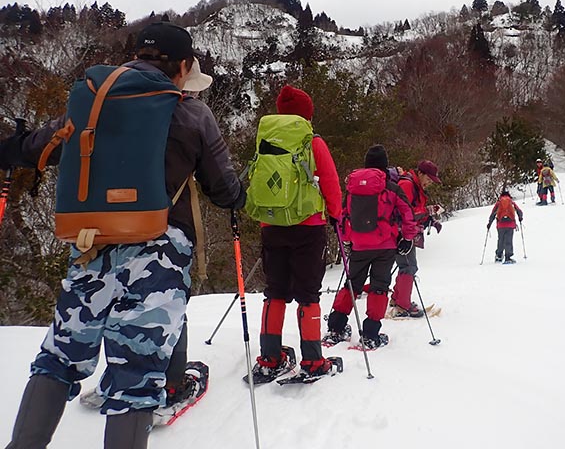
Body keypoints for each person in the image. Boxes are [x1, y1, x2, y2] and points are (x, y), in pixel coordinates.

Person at [1, 22, 245, 449]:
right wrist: (239, 195)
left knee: (58, 360)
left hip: (91, 245)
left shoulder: (94, 104)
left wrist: (10, 147)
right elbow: (223, 190)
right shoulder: (190, 112)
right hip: (159, 254)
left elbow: (40, 145)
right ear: (184, 65)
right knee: (137, 377)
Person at [252, 84, 343, 380]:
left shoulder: (265, 140)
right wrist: (336, 215)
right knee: (307, 294)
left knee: (275, 291)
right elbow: (329, 180)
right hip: (308, 226)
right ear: (307, 114)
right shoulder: (312, 141)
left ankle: (270, 357)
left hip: (271, 223)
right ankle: (313, 361)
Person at [324, 145, 417, 349]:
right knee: (379, 287)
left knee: (352, 285)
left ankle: (336, 327)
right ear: (385, 166)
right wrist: (408, 238)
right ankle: (370, 334)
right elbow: (407, 214)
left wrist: (347, 239)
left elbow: (342, 214)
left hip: (359, 245)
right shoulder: (391, 187)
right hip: (385, 246)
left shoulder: (353, 187)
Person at [390, 160, 443, 318]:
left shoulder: (414, 185)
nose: (429, 183)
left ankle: (397, 299)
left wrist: (429, 219)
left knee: (405, 266)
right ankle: (402, 306)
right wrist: (427, 211)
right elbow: (405, 213)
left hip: (404, 232)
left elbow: (413, 211)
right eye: (428, 179)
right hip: (401, 233)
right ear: (420, 173)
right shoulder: (408, 185)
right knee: (409, 267)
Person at [487, 189, 523, 264]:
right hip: (510, 225)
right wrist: (520, 218)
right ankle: (508, 257)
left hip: (500, 225)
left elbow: (493, 214)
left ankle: (499, 256)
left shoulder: (499, 203)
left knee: (500, 240)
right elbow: (519, 211)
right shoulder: (511, 202)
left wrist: (489, 223)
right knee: (508, 241)